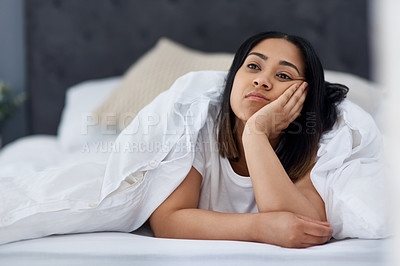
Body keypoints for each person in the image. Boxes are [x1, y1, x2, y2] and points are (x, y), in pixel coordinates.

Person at [148, 31, 379, 248]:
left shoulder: (322, 141)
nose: (262, 81)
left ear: (304, 98)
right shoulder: (198, 123)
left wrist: (255, 134)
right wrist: (259, 227)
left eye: (283, 75)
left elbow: (303, 227)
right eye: (253, 66)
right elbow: (168, 220)